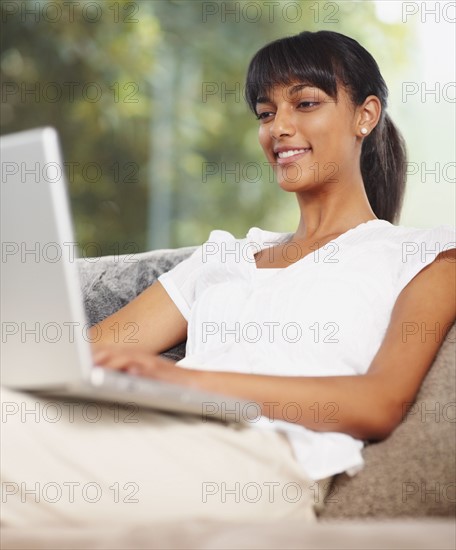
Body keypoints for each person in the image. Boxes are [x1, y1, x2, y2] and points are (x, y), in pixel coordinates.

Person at [1, 30, 455, 527]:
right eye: (265, 113)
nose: (279, 127)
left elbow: (379, 403)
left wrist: (187, 381)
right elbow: (83, 354)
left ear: (365, 115)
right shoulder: (226, 255)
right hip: (152, 436)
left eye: (305, 103)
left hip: (259, 466)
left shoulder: (422, 254)